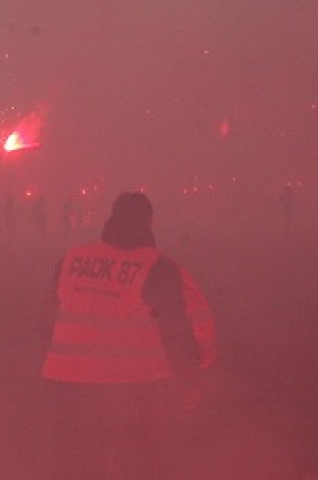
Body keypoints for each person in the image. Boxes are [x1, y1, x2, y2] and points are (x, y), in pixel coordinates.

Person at [38, 191, 216, 479]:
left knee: (74, 466)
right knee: (136, 465)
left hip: (65, 385)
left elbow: (45, 322)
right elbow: (175, 331)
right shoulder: (158, 267)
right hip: (134, 387)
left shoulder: (71, 259)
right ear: (148, 221)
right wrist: (190, 379)